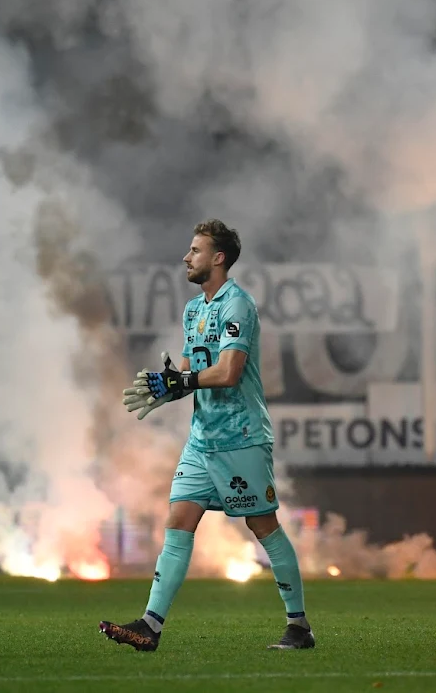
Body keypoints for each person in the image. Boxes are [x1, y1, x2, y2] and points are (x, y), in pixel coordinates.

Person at [99, 219, 315, 652]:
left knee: (263, 525)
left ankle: (299, 627)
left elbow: (229, 372)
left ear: (218, 258)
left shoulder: (239, 306)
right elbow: (188, 369)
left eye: (195, 250)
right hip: (202, 440)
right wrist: (167, 385)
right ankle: (150, 626)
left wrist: (185, 382)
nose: (186, 256)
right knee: (178, 521)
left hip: (241, 437)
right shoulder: (194, 310)